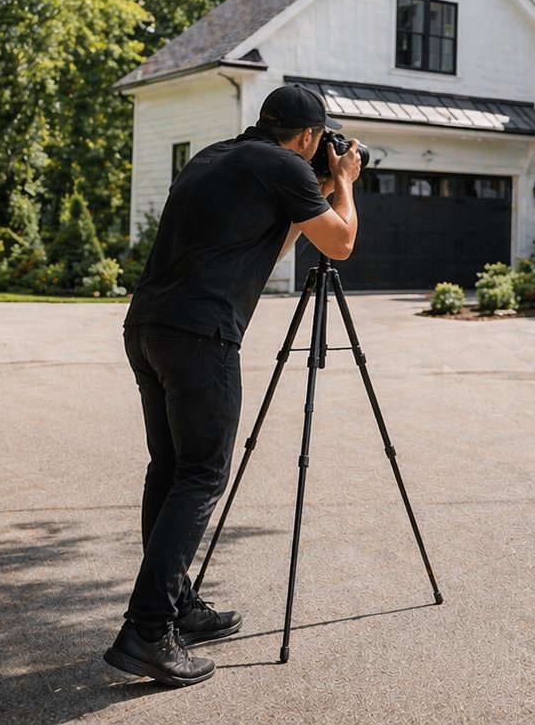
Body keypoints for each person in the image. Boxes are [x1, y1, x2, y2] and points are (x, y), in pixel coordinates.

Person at [105, 84, 362, 686]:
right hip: (201, 336)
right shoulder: (283, 163)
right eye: (319, 142)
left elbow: (271, 242)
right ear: (308, 137)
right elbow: (342, 243)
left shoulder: (217, 156)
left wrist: (315, 194)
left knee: (169, 471)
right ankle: (147, 630)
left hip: (148, 327)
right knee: (201, 476)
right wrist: (344, 182)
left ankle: (177, 606)